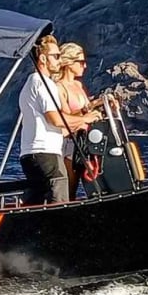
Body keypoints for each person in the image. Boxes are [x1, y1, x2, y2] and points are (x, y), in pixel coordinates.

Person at [18, 34, 99, 204]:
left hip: (30, 154)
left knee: (37, 200)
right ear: (42, 59)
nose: (59, 60)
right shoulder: (43, 83)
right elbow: (56, 120)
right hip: (45, 153)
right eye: (55, 56)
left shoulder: (31, 82)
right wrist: (86, 118)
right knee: (60, 196)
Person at [54, 42, 100, 196]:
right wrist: (86, 117)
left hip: (83, 141)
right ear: (69, 62)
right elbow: (64, 117)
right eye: (81, 62)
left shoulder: (78, 85)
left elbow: (85, 109)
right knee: (70, 187)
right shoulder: (59, 87)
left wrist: (100, 103)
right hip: (69, 142)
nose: (84, 66)